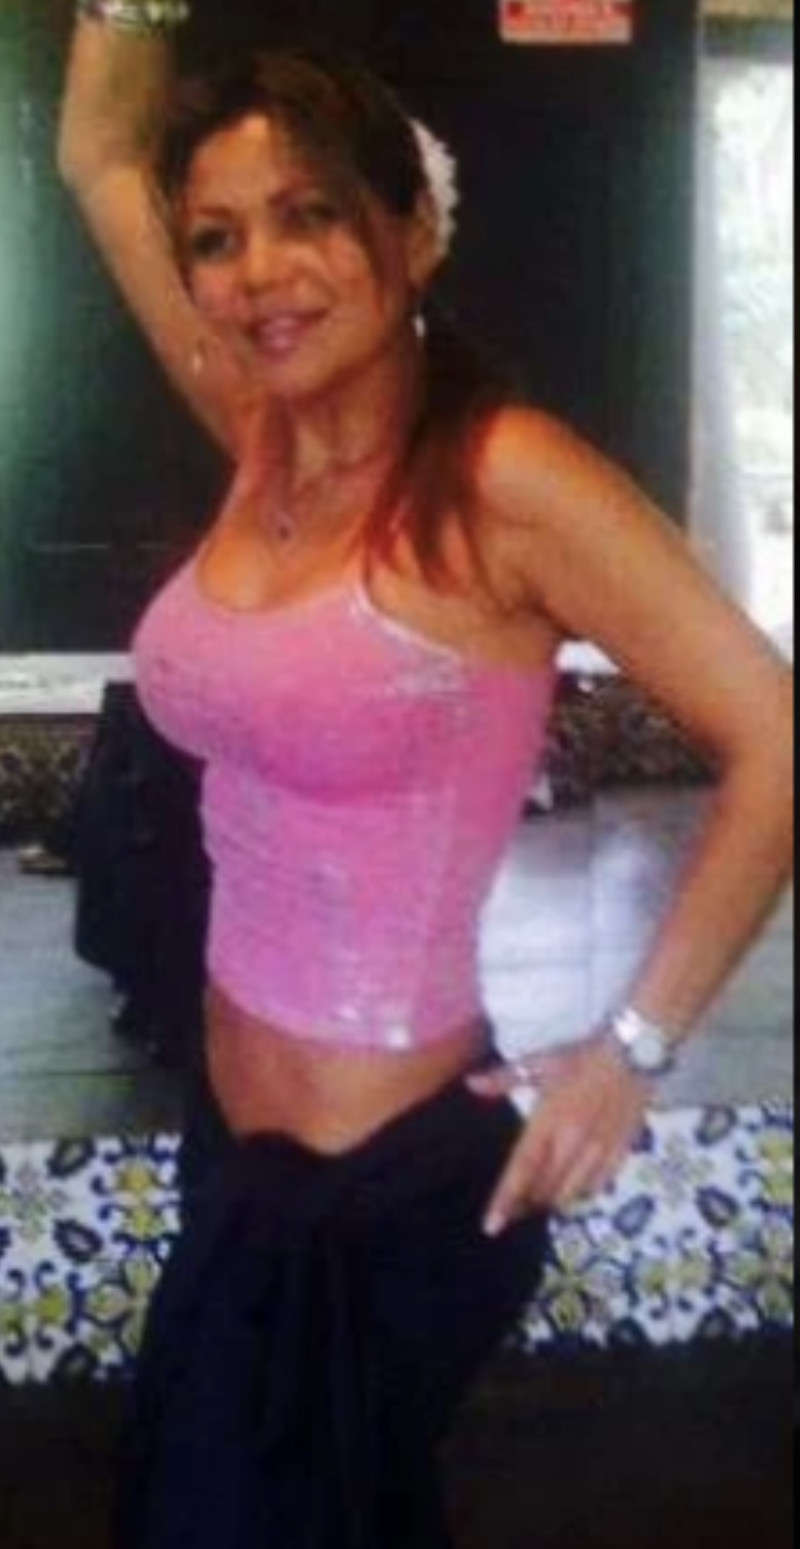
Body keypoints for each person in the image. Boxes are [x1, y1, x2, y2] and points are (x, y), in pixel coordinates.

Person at [59, 5, 794, 1546]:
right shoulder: (263, 434)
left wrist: (632, 1047)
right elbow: (98, 154)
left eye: (310, 215)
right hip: (235, 1152)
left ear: (413, 232)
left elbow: (775, 734)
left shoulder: (501, 481)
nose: (258, 271)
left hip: (381, 1194)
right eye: (218, 239)